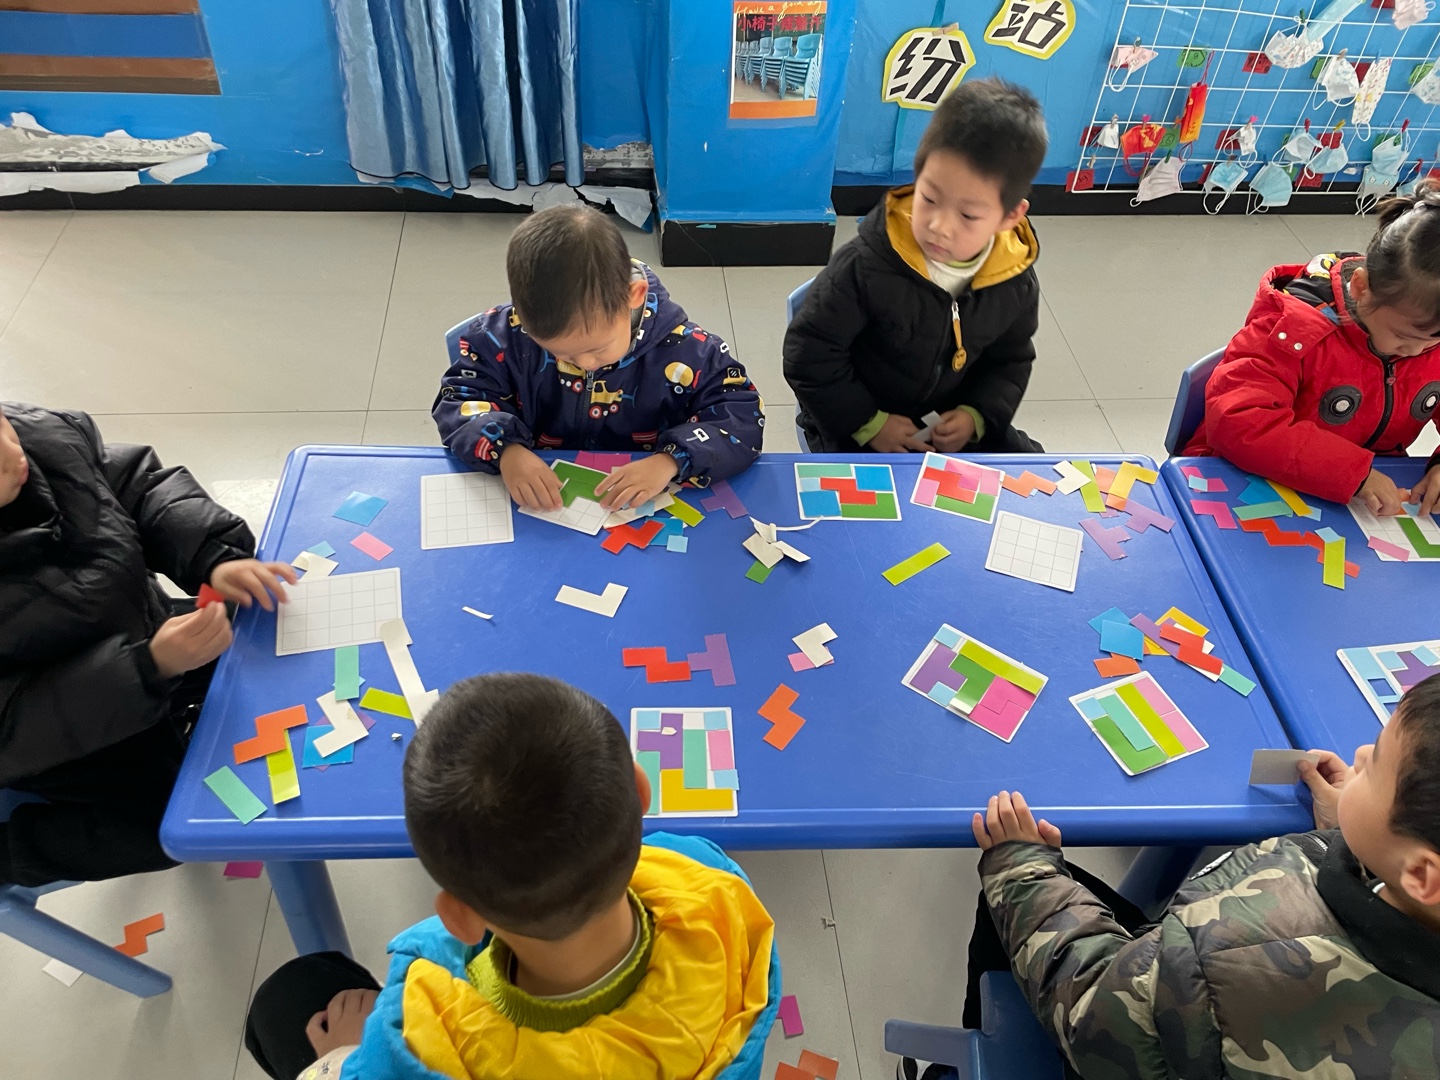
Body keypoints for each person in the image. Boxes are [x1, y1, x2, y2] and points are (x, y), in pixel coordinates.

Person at [245, 673, 779, 1080]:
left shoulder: (416, 1040)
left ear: (459, 917)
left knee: (288, 998)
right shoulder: (713, 884)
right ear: (642, 793)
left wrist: (343, 1055)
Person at [957, 674, 1440, 1080]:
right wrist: (1355, 835)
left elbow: (1092, 1011)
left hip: (1125, 1014)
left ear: (1421, 874)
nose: (1360, 753)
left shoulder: (1224, 959)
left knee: (1008, 904)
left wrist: (1023, 868)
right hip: (1185, 990)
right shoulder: (1414, 895)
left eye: (1377, 764)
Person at [0, 402, 295, 886]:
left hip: (142, 638)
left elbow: (136, 487)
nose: (16, 456)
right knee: (164, 827)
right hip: (57, 739)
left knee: (259, 638)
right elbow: (16, 723)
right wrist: (144, 669)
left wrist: (213, 555)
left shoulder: (42, 440)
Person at [433, 205, 764, 512]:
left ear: (634, 296)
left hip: (643, 499)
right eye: (559, 354)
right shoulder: (502, 337)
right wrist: (506, 449)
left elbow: (741, 416)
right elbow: (461, 397)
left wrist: (671, 461)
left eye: (598, 349)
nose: (585, 364)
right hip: (544, 500)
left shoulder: (691, 351)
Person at [784, 77, 1048, 455]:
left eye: (968, 215)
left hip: (950, 422)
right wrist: (868, 424)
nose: (939, 226)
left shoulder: (1013, 276)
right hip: (859, 422)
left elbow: (1011, 360)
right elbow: (808, 355)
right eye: (929, 198)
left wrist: (976, 416)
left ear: (1010, 217)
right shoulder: (865, 266)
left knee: (1035, 474)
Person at [1185, 179, 1440, 516]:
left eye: (1433, 340)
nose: (1416, 351)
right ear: (1360, 287)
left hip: (1356, 497)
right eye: (1402, 336)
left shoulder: (1427, 333)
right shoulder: (1290, 329)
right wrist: (1351, 471)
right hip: (1247, 483)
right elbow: (1238, 421)